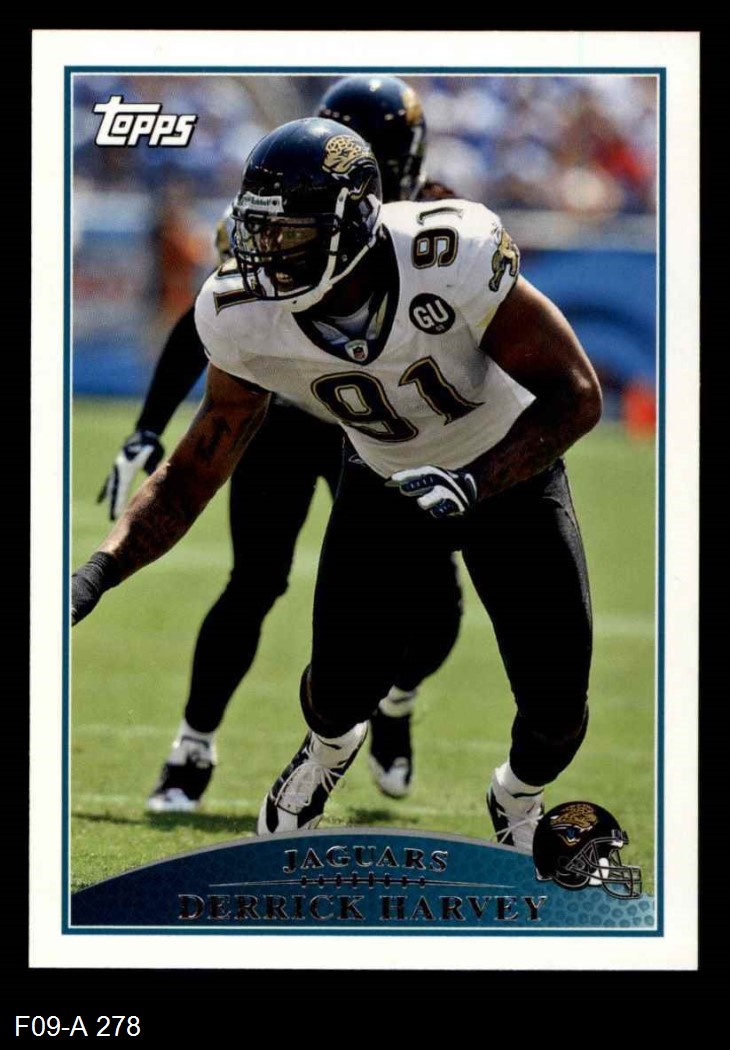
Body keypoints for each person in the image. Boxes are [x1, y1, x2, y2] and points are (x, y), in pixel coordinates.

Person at [73, 115, 602, 855]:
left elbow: (576, 394)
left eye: (286, 234)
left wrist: (475, 483)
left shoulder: (448, 253)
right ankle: (324, 754)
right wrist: (92, 577)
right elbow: (193, 472)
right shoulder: (242, 312)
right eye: (258, 230)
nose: (263, 252)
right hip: (386, 478)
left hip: (512, 469)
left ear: (351, 224)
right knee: (337, 691)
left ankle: (516, 794)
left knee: (557, 710)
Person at [97, 76, 463, 813]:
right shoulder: (287, 211)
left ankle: (395, 700)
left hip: (382, 428)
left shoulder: (441, 223)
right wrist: (149, 424)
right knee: (254, 580)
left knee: (435, 597)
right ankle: (191, 746)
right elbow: (212, 316)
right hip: (288, 413)